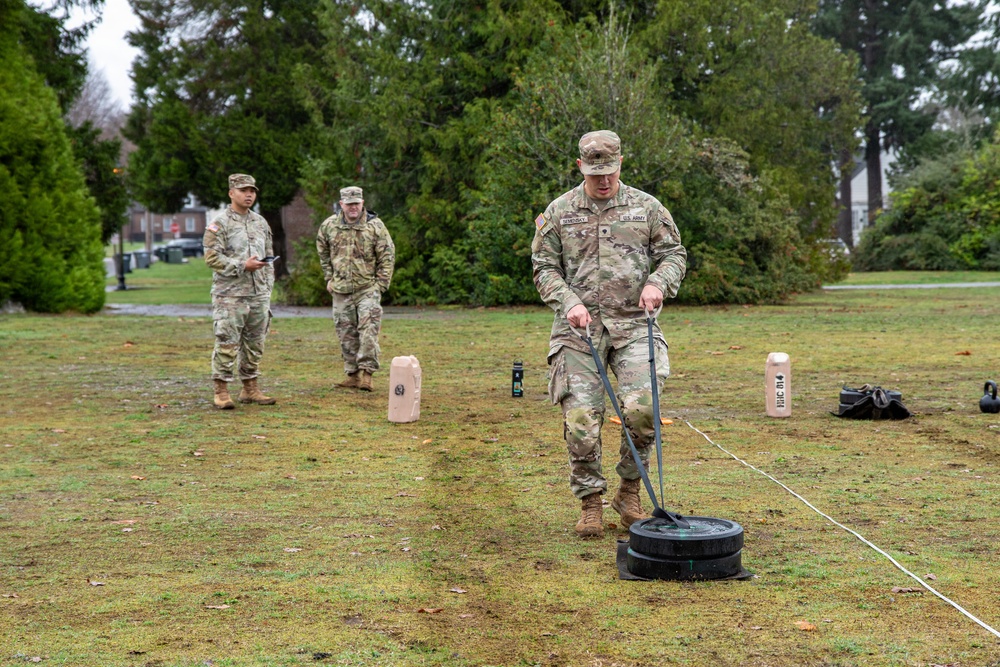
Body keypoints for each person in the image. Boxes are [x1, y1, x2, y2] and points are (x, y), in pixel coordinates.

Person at [531, 130, 687, 538]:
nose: (603, 181)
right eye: (595, 172)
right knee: (583, 419)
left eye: (610, 172)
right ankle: (590, 502)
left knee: (643, 409)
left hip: (635, 326)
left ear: (620, 165)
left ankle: (629, 491)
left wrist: (658, 283)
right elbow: (544, 268)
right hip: (578, 331)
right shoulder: (560, 211)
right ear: (580, 166)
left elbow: (673, 254)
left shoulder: (647, 207)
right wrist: (570, 304)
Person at [203, 173, 277, 409]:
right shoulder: (220, 223)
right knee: (227, 342)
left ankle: (250, 388)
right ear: (231, 193)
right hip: (230, 295)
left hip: (258, 295)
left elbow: (268, 256)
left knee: (255, 344)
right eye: (244, 190)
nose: (249, 195)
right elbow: (211, 257)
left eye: (252, 191)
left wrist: (267, 287)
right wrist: (241, 266)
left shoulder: (260, 222)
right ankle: (221, 391)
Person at [316, 186, 395, 392]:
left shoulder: (375, 226)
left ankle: (367, 374)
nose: (353, 208)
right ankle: (352, 375)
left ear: (362, 203)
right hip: (341, 290)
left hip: (367, 288)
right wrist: (329, 277)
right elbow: (322, 250)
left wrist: (380, 285)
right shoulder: (329, 226)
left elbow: (387, 256)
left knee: (368, 331)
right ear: (341, 204)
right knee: (346, 333)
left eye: (356, 204)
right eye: (349, 204)